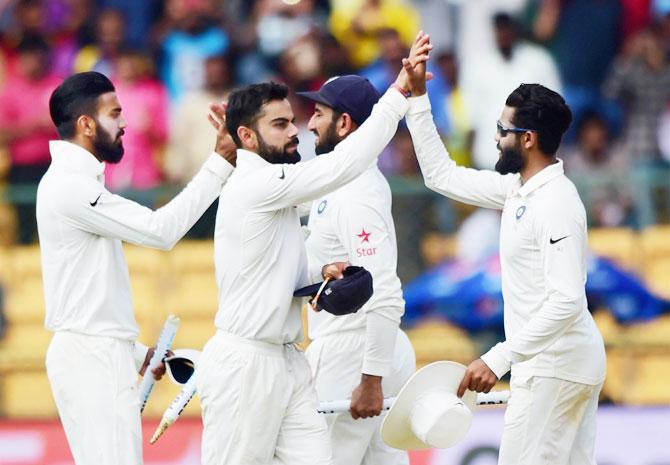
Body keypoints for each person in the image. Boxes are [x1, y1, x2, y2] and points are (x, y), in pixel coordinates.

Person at [194, 33, 431, 465]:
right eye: (281, 125)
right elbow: (343, 165)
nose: (300, 130)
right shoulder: (264, 185)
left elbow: (373, 285)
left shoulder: (293, 188)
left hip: (298, 357)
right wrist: (398, 94)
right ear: (247, 136)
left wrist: (318, 278)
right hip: (248, 361)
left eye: (301, 118)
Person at [403, 38, 606, 464]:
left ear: (528, 138)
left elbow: (567, 300)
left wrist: (498, 358)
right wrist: (418, 97)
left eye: (502, 130)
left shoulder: (555, 202)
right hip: (554, 365)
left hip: (556, 367)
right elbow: (441, 176)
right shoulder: (519, 191)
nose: (495, 139)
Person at [37, 71, 236, 465]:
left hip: (98, 352)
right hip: (90, 357)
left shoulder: (76, 181)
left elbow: (88, 292)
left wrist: (135, 353)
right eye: (116, 113)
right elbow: (161, 232)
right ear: (86, 124)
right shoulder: (70, 187)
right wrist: (219, 163)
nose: (126, 123)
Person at [297, 75, 416, 465]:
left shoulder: (356, 193)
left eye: (318, 114)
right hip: (368, 350)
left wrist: (371, 378)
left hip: (354, 353)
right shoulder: (340, 183)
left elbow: (384, 289)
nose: (310, 124)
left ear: (344, 123)